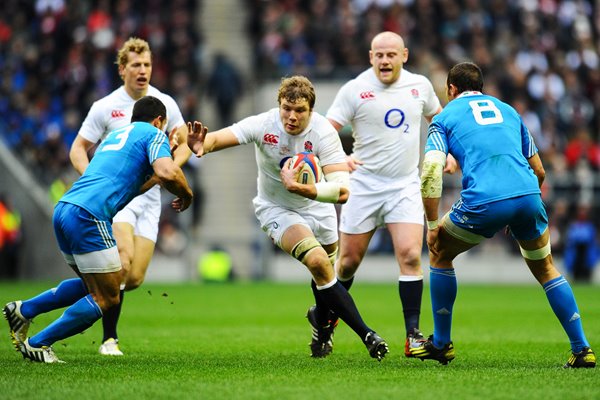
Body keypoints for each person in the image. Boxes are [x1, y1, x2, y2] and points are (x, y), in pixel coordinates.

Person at [187, 75, 388, 360]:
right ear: (279, 105)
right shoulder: (264, 124)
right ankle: (367, 334)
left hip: (318, 207)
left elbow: (343, 191)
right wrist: (202, 145)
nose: (291, 116)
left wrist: (301, 188)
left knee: (328, 275)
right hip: (276, 208)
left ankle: (320, 322)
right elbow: (220, 137)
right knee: (318, 262)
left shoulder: (323, 133)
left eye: (299, 110)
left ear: (311, 110)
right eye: (286, 108)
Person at [411, 62, 595, 368]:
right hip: (528, 195)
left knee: (439, 251)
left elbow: (430, 171)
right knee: (546, 268)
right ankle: (582, 348)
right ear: (481, 88)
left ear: (450, 89)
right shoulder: (509, 111)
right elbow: (539, 169)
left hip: (484, 200)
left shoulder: (444, 118)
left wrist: (432, 225)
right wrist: (519, 208)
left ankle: (441, 344)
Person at [3, 96, 193, 363]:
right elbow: (167, 173)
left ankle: (24, 310)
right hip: (89, 216)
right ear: (159, 121)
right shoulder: (154, 133)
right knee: (109, 297)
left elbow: (136, 184)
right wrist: (187, 195)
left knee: (91, 285)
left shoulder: (117, 137)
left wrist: (163, 168)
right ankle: (38, 343)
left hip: (65, 209)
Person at [323, 31, 453, 358]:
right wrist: (339, 158)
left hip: (404, 186)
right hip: (363, 185)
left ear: (404, 55)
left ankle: (413, 336)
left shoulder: (420, 86)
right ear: (371, 57)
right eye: (379, 55)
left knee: (410, 255)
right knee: (348, 263)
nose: (385, 60)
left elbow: (440, 123)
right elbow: (325, 130)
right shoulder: (354, 89)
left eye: (391, 55)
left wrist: (449, 153)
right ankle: (326, 321)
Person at [68, 37, 191, 356]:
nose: (142, 70)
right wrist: (96, 180)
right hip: (118, 197)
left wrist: (167, 172)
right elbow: (78, 149)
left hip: (149, 198)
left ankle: (87, 293)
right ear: (122, 69)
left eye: (147, 64)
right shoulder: (105, 107)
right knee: (121, 263)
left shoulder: (165, 103)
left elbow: (184, 142)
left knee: (133, 278)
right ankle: (109, 339)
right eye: (136, 64)